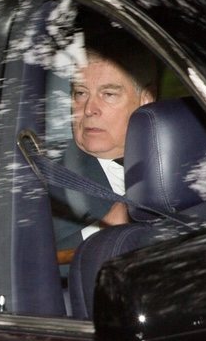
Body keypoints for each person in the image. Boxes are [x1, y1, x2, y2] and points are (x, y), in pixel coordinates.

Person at [63, 25, 160, 240]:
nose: (89, 109)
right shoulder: (42, 184)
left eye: (108, 94)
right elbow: (32, 263)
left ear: (145, 99)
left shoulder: (180, 165)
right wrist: (106, 230)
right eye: (80, 93)